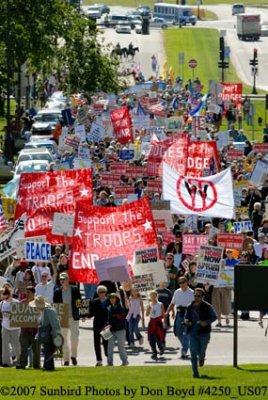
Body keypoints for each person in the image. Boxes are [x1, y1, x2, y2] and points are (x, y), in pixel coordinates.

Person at [184, 288, 217, 378]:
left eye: (198, 296)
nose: (196, 297)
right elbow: (186, 317)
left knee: (202, 351)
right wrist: (187, 321)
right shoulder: (190, 306)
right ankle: (195, 372)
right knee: (193, 352)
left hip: (204, 333)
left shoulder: (207, 306)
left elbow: (214, 317)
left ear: (202, 297)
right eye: (195, 295)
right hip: (192, 333)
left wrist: (206, 322)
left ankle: (202, 358)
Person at [53, 272, 81, 366]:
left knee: (74, 337)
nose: (62, 281)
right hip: (63, 318)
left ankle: (74, 355)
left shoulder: (75, 289)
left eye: (64, 279)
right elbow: (56, 306)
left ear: (68, 279)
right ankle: (66, 359)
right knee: (64, 338)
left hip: (74, 316)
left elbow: (80, 302)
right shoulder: (57, 292)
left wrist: (84, 313)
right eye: (61, 280)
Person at [29, 295, 61, 371]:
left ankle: (48, 367)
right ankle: (48, 366)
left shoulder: (48, 311)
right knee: (47, 351)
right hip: (47, 335)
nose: (35, 306)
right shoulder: (44, 311)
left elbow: (54, 324)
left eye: (36, 304)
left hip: (50, 334)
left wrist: (56, 335)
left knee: (48, 351)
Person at [165, 276, 194, 359]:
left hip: (188, 314)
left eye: (183, 282)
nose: (182, 284)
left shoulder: (192, 292)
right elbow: (172, 303)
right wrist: (167, 312)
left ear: (187, 282)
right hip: (179, 313)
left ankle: (184, 350)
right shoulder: (177, 292)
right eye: (180, 283)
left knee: (186, 333)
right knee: (178, 332)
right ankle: (187, 345)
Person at [16, 286, 40, 370]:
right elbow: (17, 315)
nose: (27, 294)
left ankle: (36, 365)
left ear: (33, 293)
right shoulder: (21, 303)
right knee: (24, 348)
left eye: (29, 292)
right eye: (26, 292)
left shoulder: (38, 303)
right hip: (24, 330)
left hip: (35, 331)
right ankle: (22, 364)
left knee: (36, 350)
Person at [89, 285, 110, 367]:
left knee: (106, 342)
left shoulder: (109, 301)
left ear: (105, 292)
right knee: (96, 343)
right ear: (97, 293)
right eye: (100, 292)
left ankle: (108, 358)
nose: (102, 294)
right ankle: (99, 360)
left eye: (103, 292)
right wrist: (84, 315)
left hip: (106, 325)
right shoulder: (94, 302)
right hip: (97, 324)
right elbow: (91, 313)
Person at [0, 286, 21, 367]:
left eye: (5, 294)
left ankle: (19, 360)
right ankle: (6, 362)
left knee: (17, 345)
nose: (4, 296)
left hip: (15, 327)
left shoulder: (17, 302)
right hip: (5, 326)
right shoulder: (1, 303)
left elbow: (20, 314)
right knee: (5, 345)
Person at [107, 293, 128, 366]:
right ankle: (109, 362)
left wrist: (110, 324)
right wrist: (107, 325)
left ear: (117, 299)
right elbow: (109, 319)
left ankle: (125, 361)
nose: (112, 299)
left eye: (113, 298)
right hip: (112, 330)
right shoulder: (109, 307)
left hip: (120, 329)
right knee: (110, 347)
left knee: (121, 346)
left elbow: (119, 319)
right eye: (110, 298)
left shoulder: (120, 308)